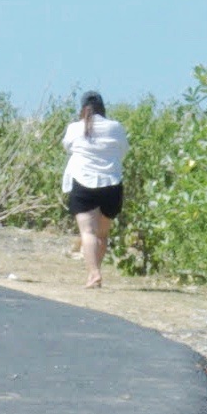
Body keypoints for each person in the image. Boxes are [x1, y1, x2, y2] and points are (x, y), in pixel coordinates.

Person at [59, 91, 128, 289]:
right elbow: (123, 150)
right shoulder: (115, 127)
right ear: (102, 107)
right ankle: (96, 271)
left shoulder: (74, 128)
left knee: (87, 233)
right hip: (112, 183)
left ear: (83, 108)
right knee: (102, 234)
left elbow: (68, 147)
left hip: (83, 181)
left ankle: (94, 273)